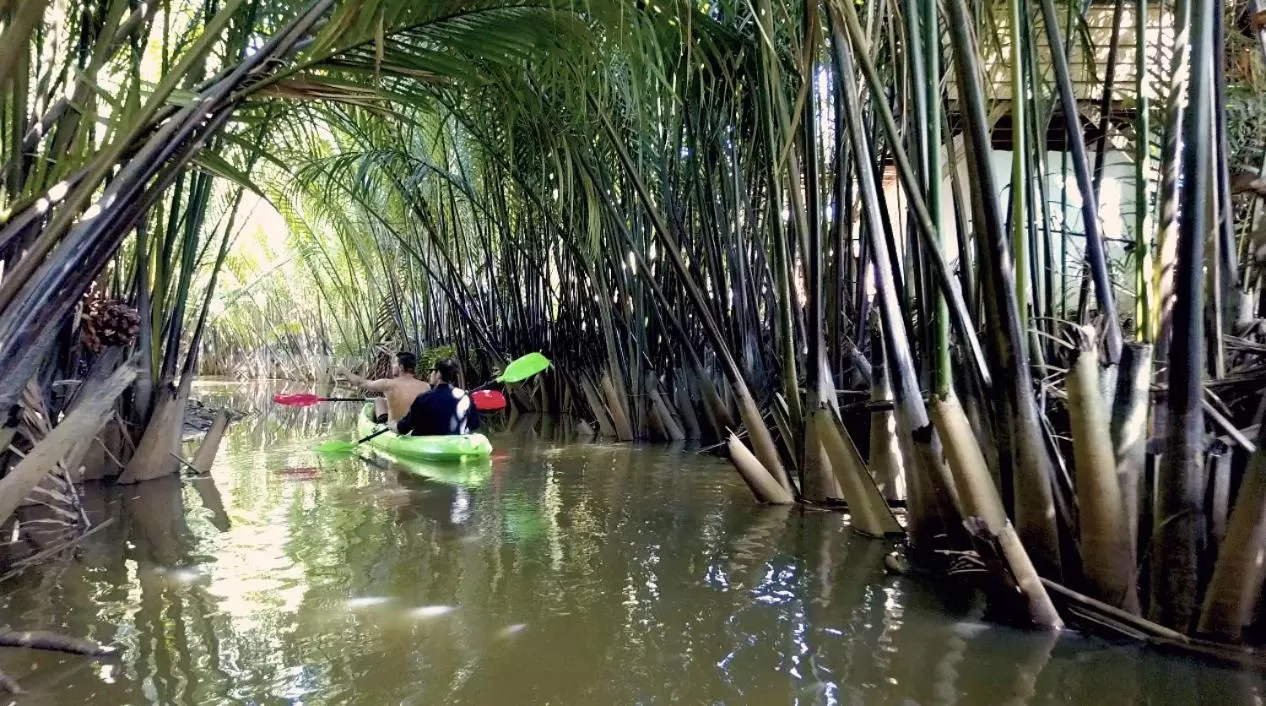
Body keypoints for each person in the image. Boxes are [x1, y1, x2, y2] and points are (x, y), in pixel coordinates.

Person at [397, 358, 481, 436]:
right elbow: (475, 424)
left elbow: (403, 428)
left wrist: (393, 424)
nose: (431, 374)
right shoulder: (465, 397)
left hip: (427, 446)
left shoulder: (423, 399)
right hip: (456, 445)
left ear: (438, 373)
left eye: (433, 371)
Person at [343, 352, 431, 424]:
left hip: (395, 430)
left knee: (378, 400)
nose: (392, 366)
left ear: (401, 367)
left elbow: (361, 383)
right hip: (416, 430)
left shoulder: (387, 384)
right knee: (381, 400)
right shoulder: (426, 386)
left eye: (394, 363)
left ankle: (382, 424)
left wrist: (344, 371)